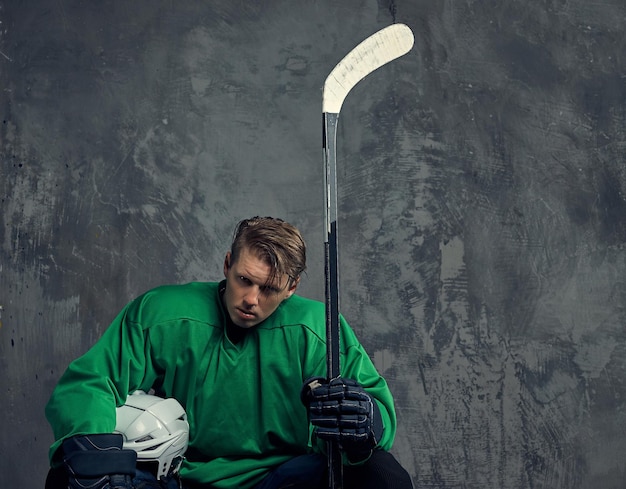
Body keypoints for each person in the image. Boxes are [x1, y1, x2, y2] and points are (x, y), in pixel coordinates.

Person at [45, 216, 413, 489]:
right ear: (227, 265)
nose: (251, 299)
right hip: (178, 477)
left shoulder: (317, 329)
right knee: (71, 473)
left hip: (282, 478)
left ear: (292, 287)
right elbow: (90, 382)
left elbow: (378, 411)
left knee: (382, 475)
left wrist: (365, 423)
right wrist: (94, 452)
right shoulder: (162, 314)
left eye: (269, 288)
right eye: (244, 280)